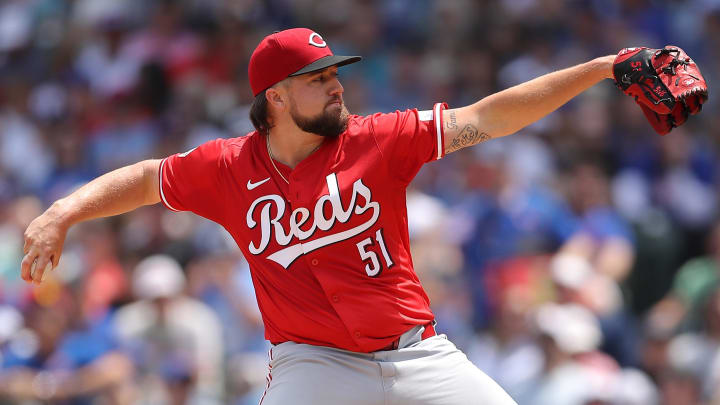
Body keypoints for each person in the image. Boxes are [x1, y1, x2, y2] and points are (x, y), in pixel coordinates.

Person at [22, 28, 621, 404]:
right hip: (314, 364)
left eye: (335, 73)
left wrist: (602, 68)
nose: (336, 86)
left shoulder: (379, 138)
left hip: (416, 353)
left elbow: (490, 118)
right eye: (318, 77)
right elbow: (146, 180)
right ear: (275, 98)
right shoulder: (228, 168)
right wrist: (63, 212)